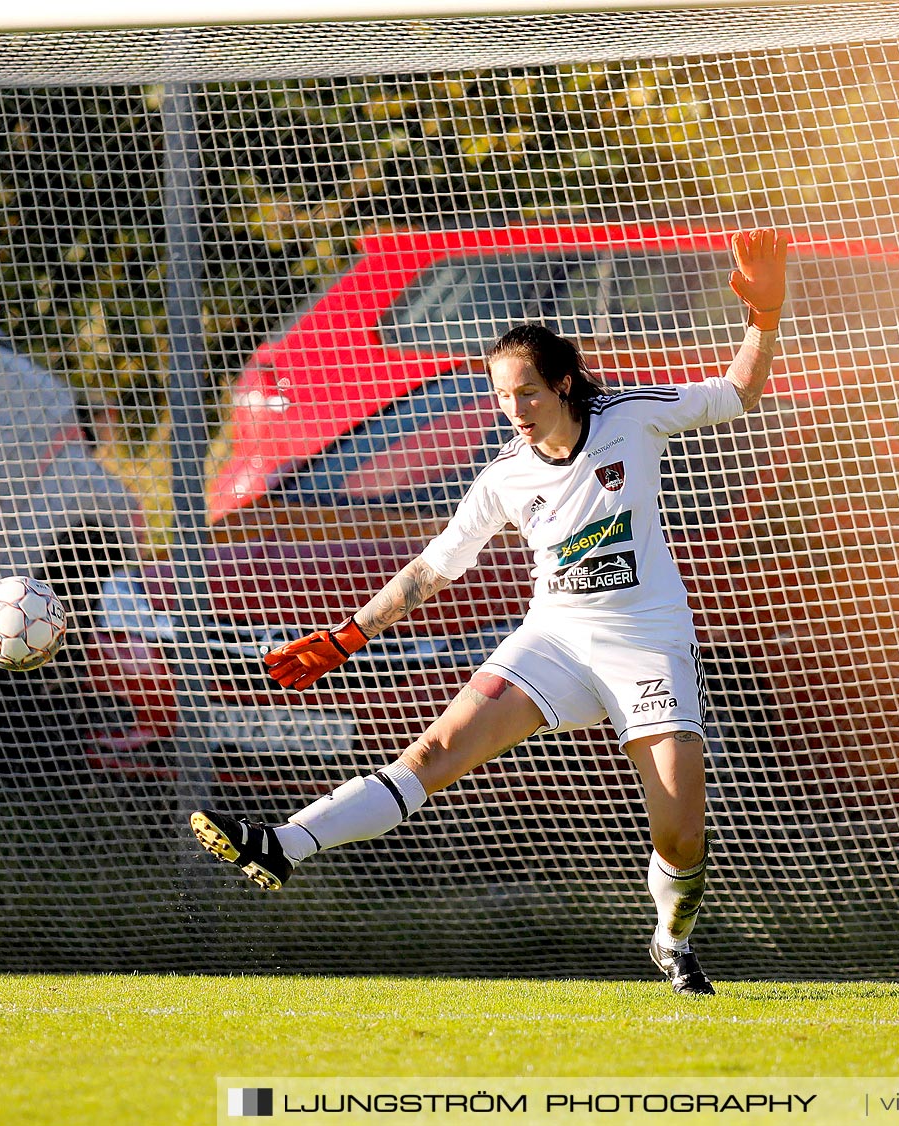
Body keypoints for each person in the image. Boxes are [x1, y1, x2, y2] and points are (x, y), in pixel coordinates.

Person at [189, 229, 789, 996]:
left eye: (528, 392)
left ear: (566, 383)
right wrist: (347, 635)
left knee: (680, 832)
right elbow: (434, 567)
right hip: (554, 643)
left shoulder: (632, 417)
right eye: (503, 396)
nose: (514, 409)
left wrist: (763, 320)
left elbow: (737, 393)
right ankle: (281, 845)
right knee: (434, 751)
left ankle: (672, 944)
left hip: (648, 645)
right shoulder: (505, 474)